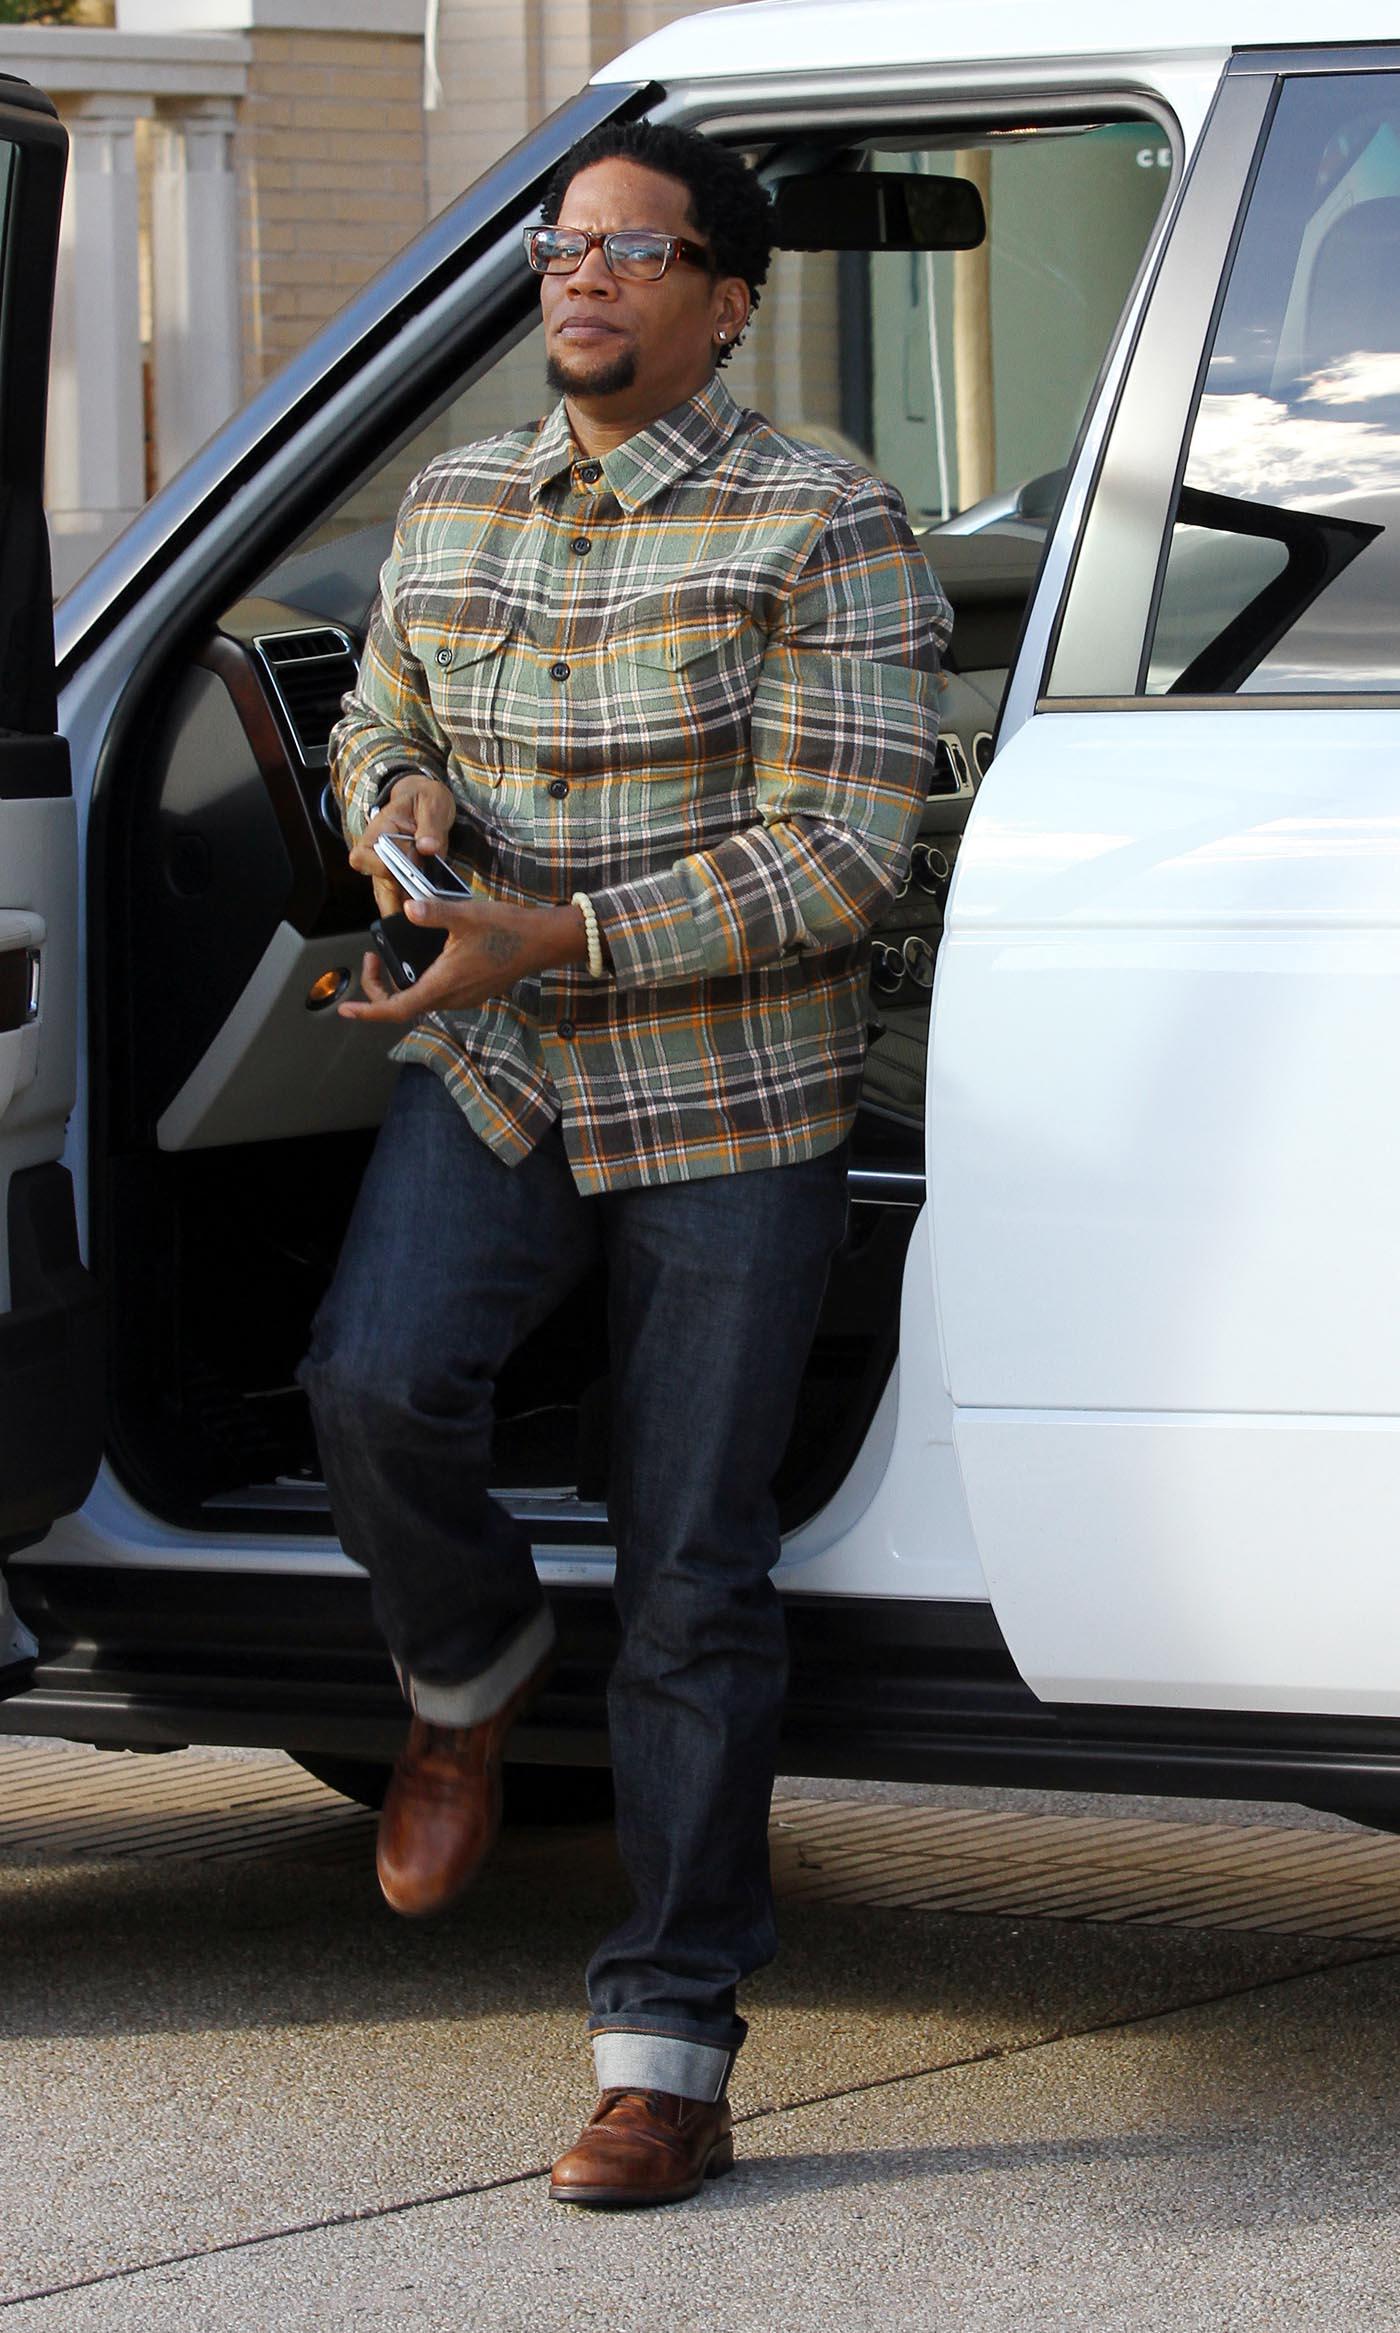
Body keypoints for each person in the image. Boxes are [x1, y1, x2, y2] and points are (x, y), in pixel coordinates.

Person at [300, 119, 949, 2210]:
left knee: (690, 1565)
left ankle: (664, 2047)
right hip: (490, 1060)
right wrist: (395, 806)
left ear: (726, 301)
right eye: (559, 250)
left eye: (629, 252)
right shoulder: (459, 490)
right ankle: (468, 1679)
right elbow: (376, 706)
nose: (576, 280)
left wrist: (557, 933)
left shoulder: (819, 516)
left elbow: (850, 853)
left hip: (729, 1096)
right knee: (373, 1386)